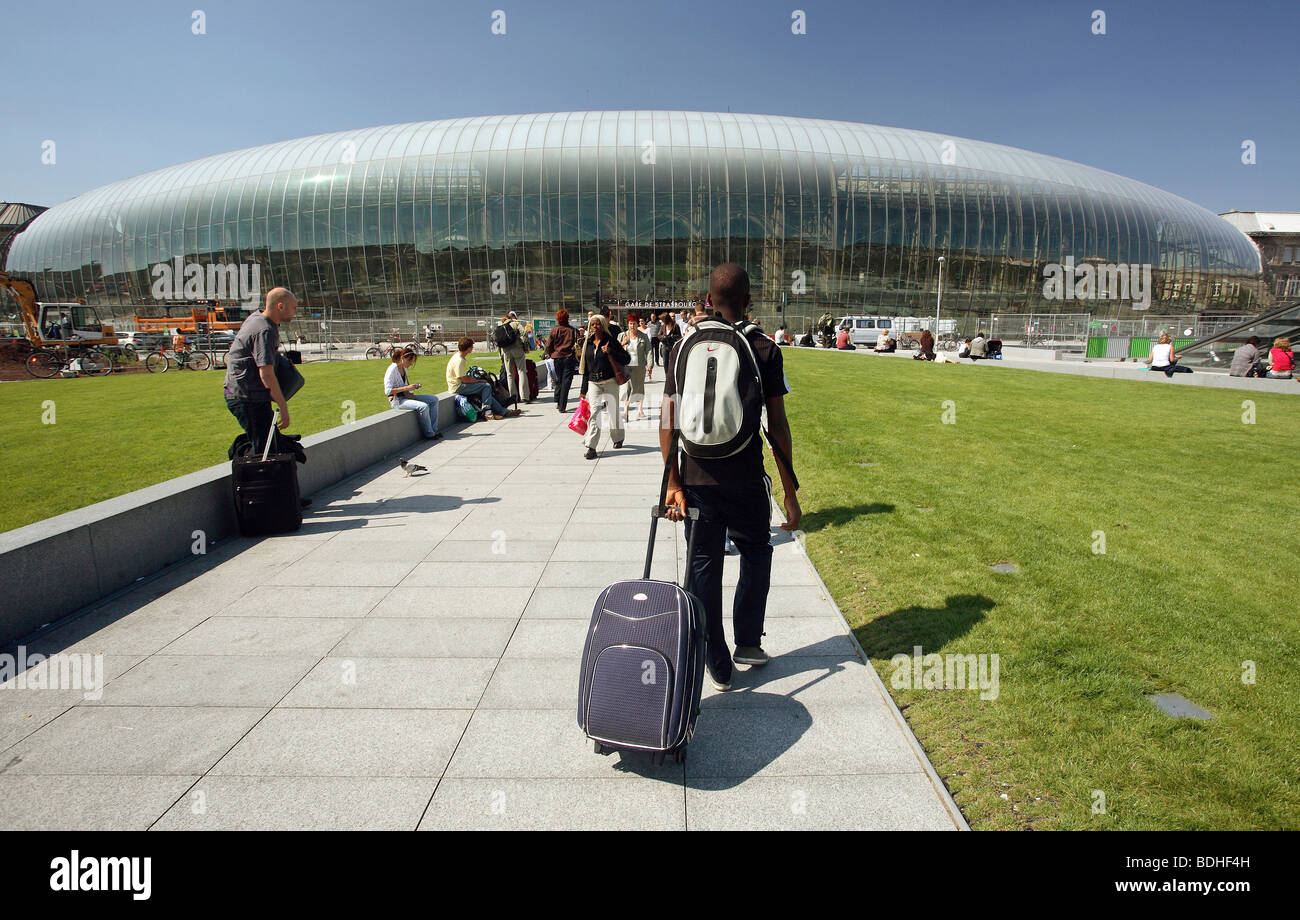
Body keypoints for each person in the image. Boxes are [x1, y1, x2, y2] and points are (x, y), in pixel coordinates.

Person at [662, 263, 800, 692]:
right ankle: (747, 642)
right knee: (756, 551)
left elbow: (668, 418)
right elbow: (776, 426)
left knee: (703, 562)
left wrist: (672, 484)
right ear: (748, 299)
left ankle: (716, 659)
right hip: (744, 477)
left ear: (708, 299)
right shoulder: (763, 348)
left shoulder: (681, 347)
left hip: (696, 477)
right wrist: (791, 493)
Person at [224, 287, 297, 456]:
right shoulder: (265, 330)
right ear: (280, 306)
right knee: (265, 451)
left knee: (270, 443)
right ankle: (240, 455)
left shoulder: (257, 319)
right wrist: (283, 407)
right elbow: (267, 374)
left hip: (244, 393)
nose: (294, 312)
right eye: (293, 308)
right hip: (244, 396)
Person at [579, 314, 630, 459]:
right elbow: (585, 367)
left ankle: (618, 437)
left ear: (603, 325)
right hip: (593, 382)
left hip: (610, 381)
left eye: (598, 324)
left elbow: (627, 358)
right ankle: (591, 446)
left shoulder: (611, 341)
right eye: (593, 324)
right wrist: (583, 391)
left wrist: (611, 351)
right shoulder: (587, 343)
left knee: (613, 411)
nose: (595, 327)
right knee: (594, 413)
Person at [446, 335, 516, 419]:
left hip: (459, 384)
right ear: (468, 348)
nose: (472, 348)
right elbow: (464, 379)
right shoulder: (459, 360)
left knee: (487, 394)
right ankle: (487, 412)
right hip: (457, 387)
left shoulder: (459, 356)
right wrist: (479, 381)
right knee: (486, 386)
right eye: (472, 346)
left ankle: (503, 411)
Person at [385, 347, 442, 439]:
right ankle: (429, 434)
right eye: (409, 361)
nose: (411, 364)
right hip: (396, 400)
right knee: (423, 406)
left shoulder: (404, 368)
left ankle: (433, 429)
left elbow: (404, 387)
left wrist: (412, 387)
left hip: (406, 397)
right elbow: (388, 391)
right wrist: (406, 387)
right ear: (402, 358)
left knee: (434, 399)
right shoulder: (392, 369)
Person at [545, 309, 579, 414]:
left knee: (559, 379)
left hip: (557, 358)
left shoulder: (554, 330)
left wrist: (550, 354)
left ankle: (558, 401)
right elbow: (579, 342)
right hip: (569, 358)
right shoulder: (572, 330)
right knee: (566, 382)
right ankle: (562, 405)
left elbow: (549, 345)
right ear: (567, 318)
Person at [620, 313, 651, 422]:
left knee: (639, 387)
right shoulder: (622, 335)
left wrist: (650, 364)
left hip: (639, 366)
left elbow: (649, 350)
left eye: (634, 323)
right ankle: (625, 411)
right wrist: (623, 343)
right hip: (626, 367)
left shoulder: (643, 337)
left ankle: (640, 410)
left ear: (638, 324)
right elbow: (615, 350)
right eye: (630, 323)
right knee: (626, 389)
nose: (631, 326)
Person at [495, 311, 530, 403]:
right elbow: (524, 333)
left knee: (509, 374)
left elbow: (498, 341)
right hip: (517, 349)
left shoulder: (501, 326)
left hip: (506, 352)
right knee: (521, 371)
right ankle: (524, 396)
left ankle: (513, 397)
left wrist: (501, 354)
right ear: (513, 317)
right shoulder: (516, 323)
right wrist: (525, 346)